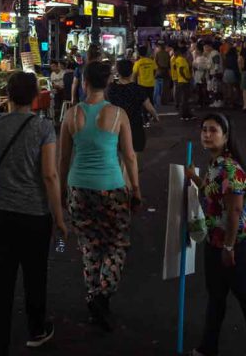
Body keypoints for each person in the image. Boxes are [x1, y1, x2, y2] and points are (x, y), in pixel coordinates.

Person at [0, 72, 66, 355]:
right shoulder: (43, 128)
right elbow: (50, 176)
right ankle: (36, 330)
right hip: (33, 215)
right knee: (35, 275)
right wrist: (59, 216)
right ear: (34, 97)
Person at [58, 61, 141, 331]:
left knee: (90, 246)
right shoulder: (118, 114)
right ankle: (103, 295)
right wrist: (136, 189)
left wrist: (61, 193)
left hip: (78, 189)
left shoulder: (70, 115)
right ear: (106, 84)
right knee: (116, 244)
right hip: (112, 188)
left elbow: (63, 159)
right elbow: (129, 156)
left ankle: (94, 298)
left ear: (84, 83)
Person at [188, 112, 246, 356]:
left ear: (226, 136)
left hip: (237, 243)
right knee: (216, 297)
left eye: (213, 131)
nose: (207, 135)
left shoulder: (230, 167)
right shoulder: (214, 164)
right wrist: (194, 178)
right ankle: (208, 347)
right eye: (204, 130)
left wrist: (229, 248)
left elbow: (234, 210)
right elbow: (213, 191)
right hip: (216, 241)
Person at [107, 59, 159, 162]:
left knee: (121, 158)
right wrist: (155, 116)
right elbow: (149, 107)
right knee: (132, 159)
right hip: (134, 127)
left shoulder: (112, 89)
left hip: (116, 127)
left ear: (118, 71)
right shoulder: (138, 89)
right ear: (131, 71)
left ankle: (122, 177)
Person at [171, 44, 193, 118]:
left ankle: (185, 113)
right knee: (185, 99)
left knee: (184, 98)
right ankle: (184, 114)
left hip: (181, 80)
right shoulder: (181, 59)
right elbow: (181, 70)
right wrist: (186, 78)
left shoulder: (177, 59)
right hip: (183, 81)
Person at [154, 42, 172, 111]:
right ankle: (164, 100)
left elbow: (155, 62)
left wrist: (159, 67)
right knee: (165, 87)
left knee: (158, 87)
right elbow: (169, 63)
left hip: (159, 71)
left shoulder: (157, 53)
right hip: (166, 71)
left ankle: (158, 101)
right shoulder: (167, 54)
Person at [222, 41, 240, 107]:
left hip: (227, 72)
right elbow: (236, 66)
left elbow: (224, 64)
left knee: (228, 87)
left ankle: (228, 100)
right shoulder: (235, 58)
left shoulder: (226, 56)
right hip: (232, 72)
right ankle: (233, 101)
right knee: (234, 87)